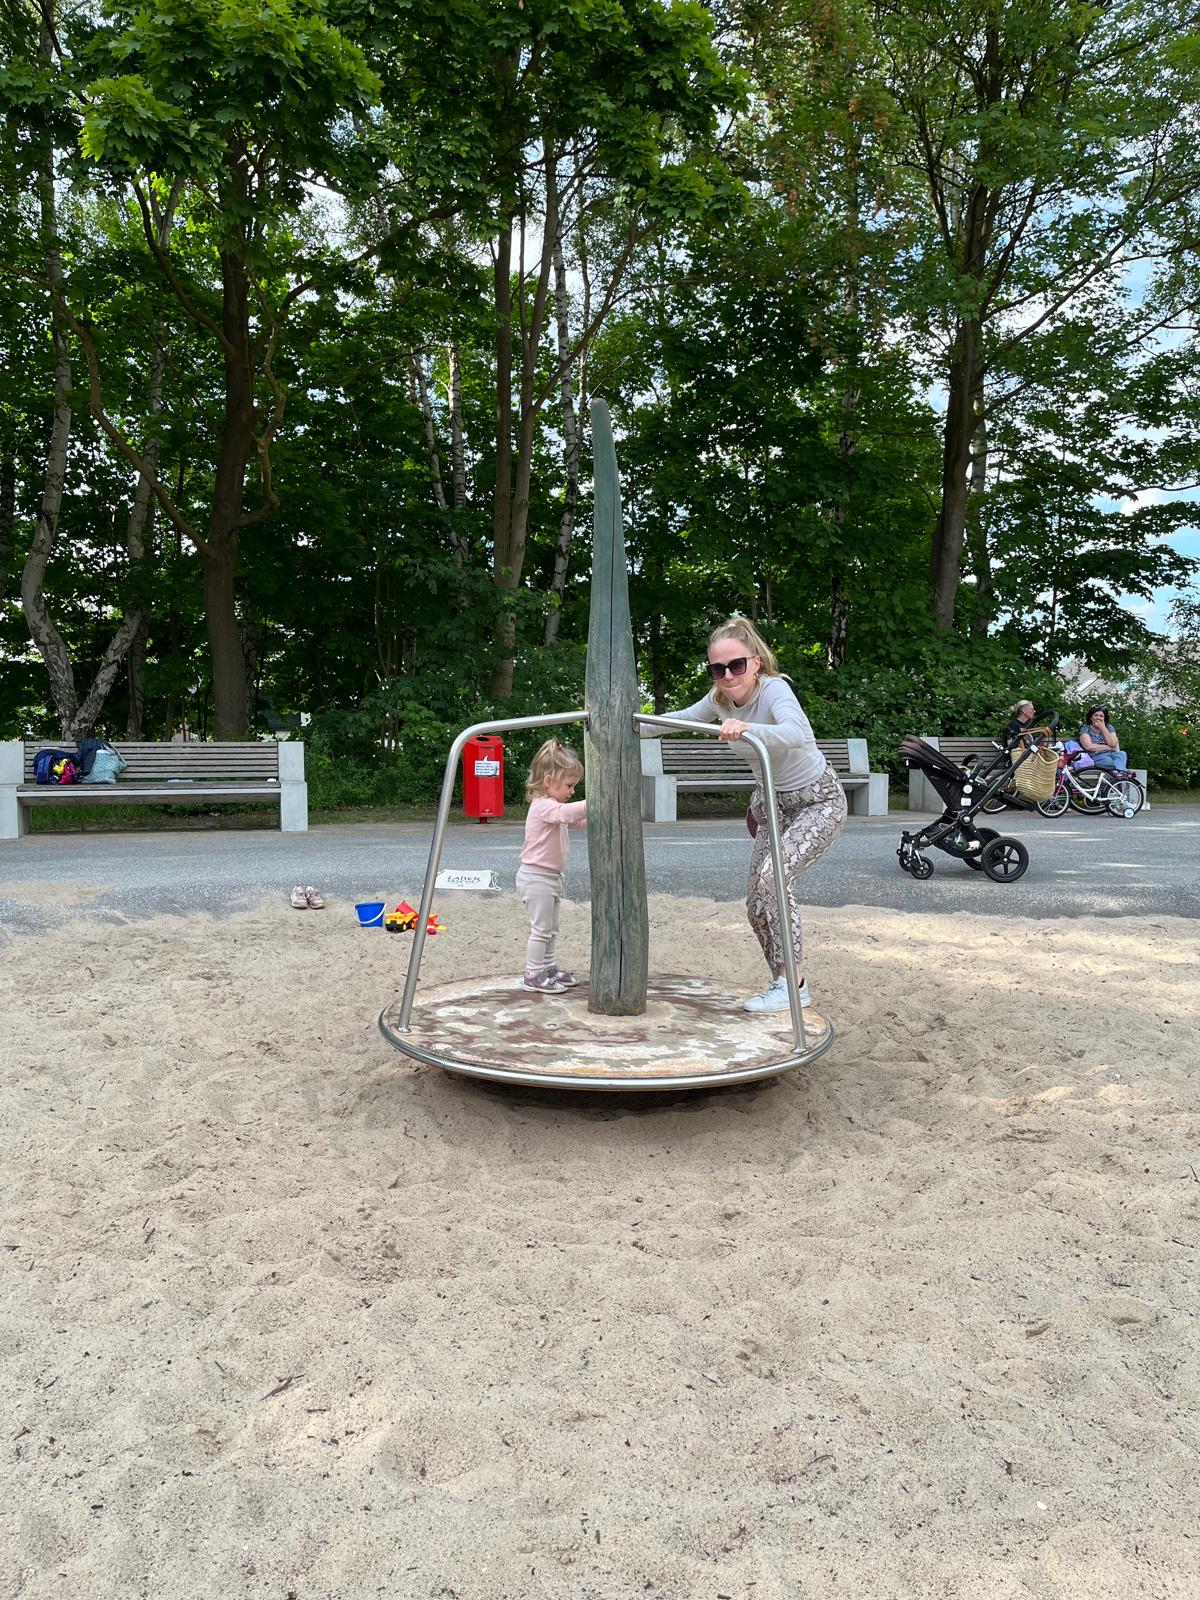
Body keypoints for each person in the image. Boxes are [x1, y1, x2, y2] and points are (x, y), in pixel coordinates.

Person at [647, 616, 846, 1014]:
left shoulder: (774, 690)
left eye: (736, 665)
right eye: (717, 669)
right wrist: (630, 724)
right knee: (756, 904)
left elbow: (798, 734)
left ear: (755, 663)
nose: (727, 676)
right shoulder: (720, 699)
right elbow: (684, 718)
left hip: (817, 800)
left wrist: (747, 727)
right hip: (773, 806)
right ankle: (783, 982)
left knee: (774, 879)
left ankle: (793, 984)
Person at [517, 738, 588, 994]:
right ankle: (533, 973)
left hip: (550, 878)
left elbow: (575, 821)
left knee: (551, 929)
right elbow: (568, 814)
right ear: (548, 782)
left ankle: (547, 968)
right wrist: (596, 801)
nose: (572, 791)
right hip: (536, 878)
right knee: (541, 930)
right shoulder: (543, 806)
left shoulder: (553, 808)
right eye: (569, 785)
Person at [1078, 705, 1128, 771]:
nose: (1098, 718)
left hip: (1112, 753)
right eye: (1096, 715)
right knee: (1108, 761)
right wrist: (1109, 747)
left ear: (1104, 718)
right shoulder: (1085, 729)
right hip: (1097, 755)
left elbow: (1113, 744)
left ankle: (1118, 773)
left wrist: (1103, 728)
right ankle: (1119, 773)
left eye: (1101, 716)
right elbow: (1089, 747)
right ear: (1091, 717)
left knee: (1122, 754)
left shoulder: (1109, 727)